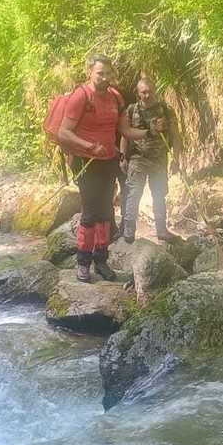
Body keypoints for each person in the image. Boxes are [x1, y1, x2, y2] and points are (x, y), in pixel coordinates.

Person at [57, 55, 147, 282]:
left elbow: (125, 130)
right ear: (90, 72)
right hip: (85, 161)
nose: (105, 78)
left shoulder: (115, 97)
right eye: (100, 73)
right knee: (90, 212)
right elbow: (63, 132)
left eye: (108, 73)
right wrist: (89, 146)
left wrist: (150, 133)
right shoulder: (81, 96)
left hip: (108, 160)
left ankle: (101, 260)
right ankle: (83, 263)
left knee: (106, 212)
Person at [121, 75, 179, 244]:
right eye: (143, 92)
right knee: (134, 194)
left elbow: (176, 136)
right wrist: (123, 156)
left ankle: (161, 231)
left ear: (155, 91)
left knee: (159, 195)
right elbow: (125, 134)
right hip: (138, 159)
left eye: (150, 91)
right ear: (138, 93)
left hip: (160, 159)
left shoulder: (166, 109)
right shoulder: (131, 110)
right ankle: (129, 232)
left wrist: (177, 159)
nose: (147, 95)